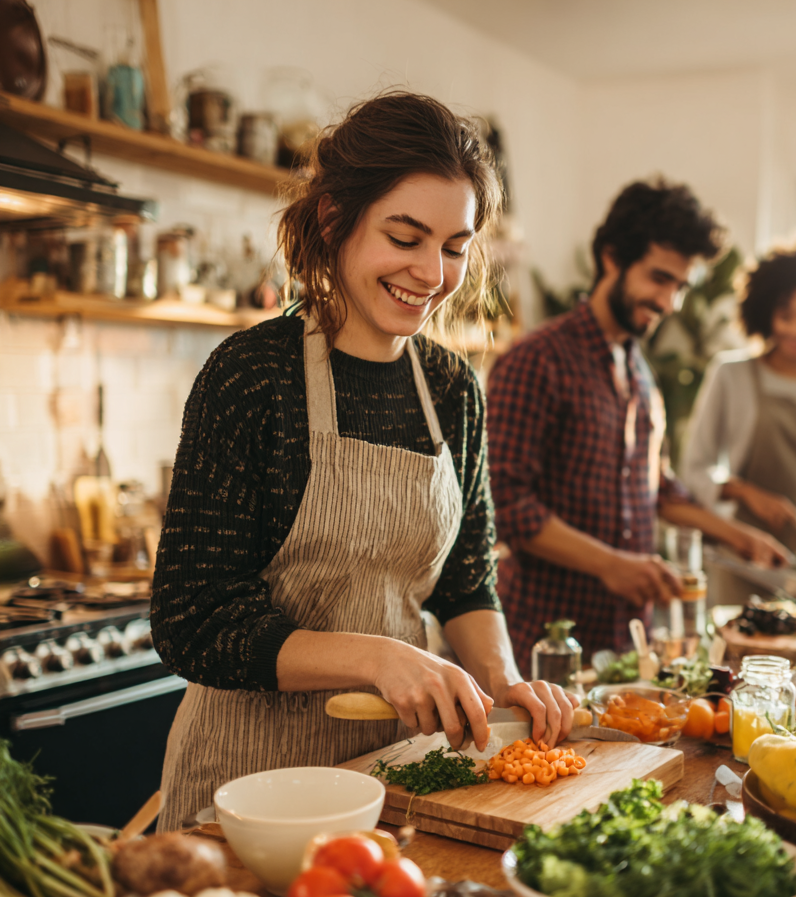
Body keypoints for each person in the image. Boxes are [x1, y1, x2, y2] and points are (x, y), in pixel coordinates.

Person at [151, 91, 576, 831]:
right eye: (405, 236)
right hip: (248, 789)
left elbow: (467, 584)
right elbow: (193, 621)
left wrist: (503, 681)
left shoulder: (453, 391)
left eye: (453, 246)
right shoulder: (252, 375)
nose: (431, 272)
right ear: (332, 220)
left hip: (399, 774)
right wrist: (378, 657)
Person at [487, 180, 789, 671]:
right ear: (611, 258)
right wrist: (611, 565)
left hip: (628, 646)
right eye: (659, 279)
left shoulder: (640, 372)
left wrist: (737, 537)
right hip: (547, 647)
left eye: (680, 287)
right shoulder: (534, 361)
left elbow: (658, 486)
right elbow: (506, 504)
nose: (670, 302)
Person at [682, 239, 796, 555]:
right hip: (742, 555)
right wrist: (744, 492)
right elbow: (694, 471)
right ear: (765, 313)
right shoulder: (731, 374)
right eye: (785, 316)